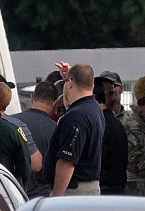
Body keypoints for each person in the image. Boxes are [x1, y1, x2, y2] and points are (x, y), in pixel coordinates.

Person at [45, 62, 103, 196]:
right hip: (88, 187)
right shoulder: (94, 108)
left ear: (70, 83)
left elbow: (67, 161)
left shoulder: (76, 116)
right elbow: (83, 80)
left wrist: (56, 196)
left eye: (65, 83)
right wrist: (72, 75)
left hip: (74, 190)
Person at [10, 80, 58, 197]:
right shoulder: (56, 128)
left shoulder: (12, 122)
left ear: (32, 97)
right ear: (55, 103)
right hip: (43, 195)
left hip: (15, 192)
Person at [94, 77, 127, 195]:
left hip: (103, 192)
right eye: (111, 93)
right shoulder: (118, 124)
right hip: (118, 189)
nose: (114, 97)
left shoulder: (98, 125)